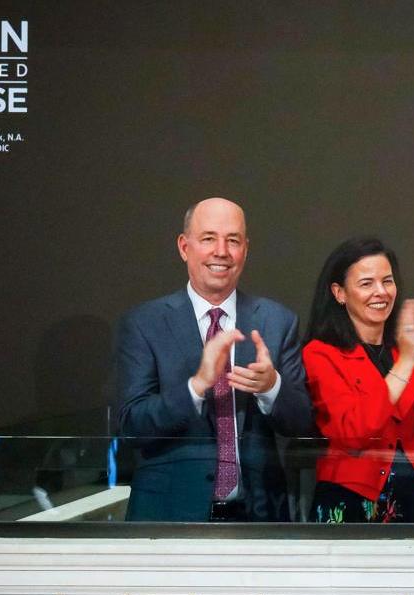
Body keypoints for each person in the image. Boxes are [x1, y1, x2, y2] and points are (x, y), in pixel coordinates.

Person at [116, 197, 312, 522]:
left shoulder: (277, 321)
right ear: (184, 247)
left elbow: (303, 422)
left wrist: (271, 387)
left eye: (232, 240)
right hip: (169, 518)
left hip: (259, 517)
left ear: (245, 249)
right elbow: (132, 426)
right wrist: (195, 387)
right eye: (208, 238)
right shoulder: (144, 323)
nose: (221, 251)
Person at [302, 238, 414, 523]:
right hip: (349, 498)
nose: (381, 292)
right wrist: (404, 364)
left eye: (387, 281)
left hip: (412, 494)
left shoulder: (411, 350)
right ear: (340, 293)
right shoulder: (321, 353)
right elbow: (355, 432)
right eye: (366, 283)